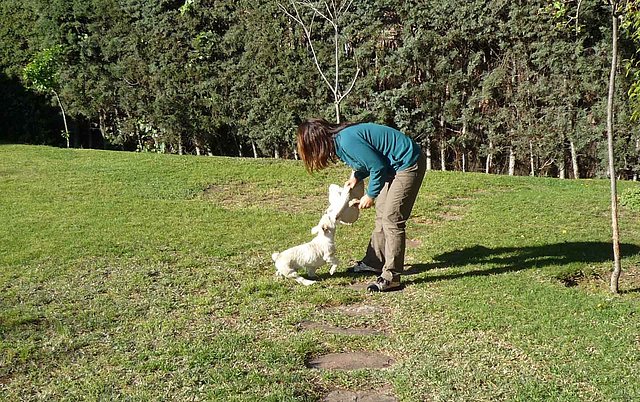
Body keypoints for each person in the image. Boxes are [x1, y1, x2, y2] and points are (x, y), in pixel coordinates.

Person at [296, 118, 426, 292]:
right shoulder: (340, 143)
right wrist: (357, 176)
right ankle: (373, 263)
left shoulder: (346, 140)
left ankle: (392, 276)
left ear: (316, 141)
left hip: (407, 163)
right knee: (382, 217)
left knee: (392, 219)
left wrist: (370, 195)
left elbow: (377, 166)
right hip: (392, 167)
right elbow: (370, 158)